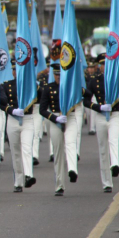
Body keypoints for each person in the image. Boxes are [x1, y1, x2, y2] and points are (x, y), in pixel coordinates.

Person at [39, 63, 79, 196]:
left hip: (70, 116)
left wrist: (79, 87)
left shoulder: (71, 86)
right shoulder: (48, 88)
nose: (58, 77)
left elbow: (88, 94)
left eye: (60, 74)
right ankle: (59, 185)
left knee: (70, 143)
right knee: (58, 153)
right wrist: (55, 118)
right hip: (55, 118)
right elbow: (42, 110)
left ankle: (72, 170)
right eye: (56, 74)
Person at [0, 60, 37, 193]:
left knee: (27, 148)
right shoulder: (7, 85)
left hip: (27, 119)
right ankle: (18, 181)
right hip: (13, 119)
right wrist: (12, 110)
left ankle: (28, 175)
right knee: (15, 152)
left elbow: (39, 96)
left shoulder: (30, 84)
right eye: (14, 69)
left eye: (18, 69)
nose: (16, 72)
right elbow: (2, 104)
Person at [83, 53, 117, 192]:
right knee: (103, 150)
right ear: (99, 66)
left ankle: (115, 164)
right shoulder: (94, 80)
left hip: (115, 114)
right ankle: (107, 182)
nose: (104, 66)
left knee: (114, 141)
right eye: (102, 64)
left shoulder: (116, 78)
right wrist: (98, 107)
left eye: (106, 63)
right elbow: (86, 100)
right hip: (101, 115)